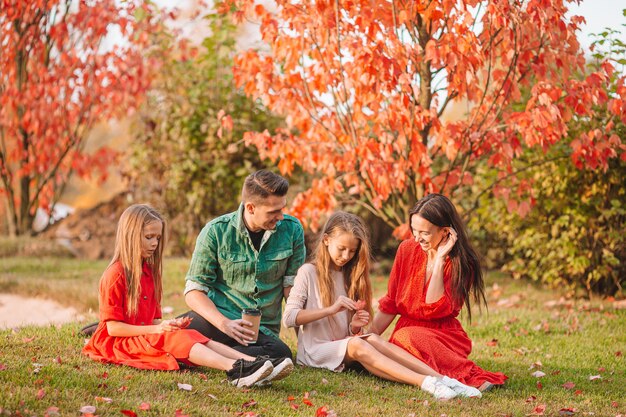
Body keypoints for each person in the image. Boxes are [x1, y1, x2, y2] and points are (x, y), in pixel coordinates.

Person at [283, 211, 482, 400]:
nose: (346, 256)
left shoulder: (350, 276)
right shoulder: (308, 272)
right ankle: (426, 382)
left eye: (352, 251)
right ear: (326, 240)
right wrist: (331, 309)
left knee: (372, 339)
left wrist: (354, 325)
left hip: (341, 347)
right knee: (359, 343)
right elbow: (289, 318)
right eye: (341, 249)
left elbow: (346, 333)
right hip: (314, 350)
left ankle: (446, 381)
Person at [82, 204, 280, 388]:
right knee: (172, 340)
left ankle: (255, 363)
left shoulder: (148, 272)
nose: (154, 243)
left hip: (142, 335)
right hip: (118, 342)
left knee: (189, 334)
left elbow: (152, 319)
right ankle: (236, 369)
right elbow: (113, 329)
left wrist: (168, 324)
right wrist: (157, 329)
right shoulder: (115, 275)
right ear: (131, 236)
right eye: (149, 237)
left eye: (157, 238)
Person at [370, 193, 508, 391]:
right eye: (413, 230)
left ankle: (455, 376)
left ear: (445, 232)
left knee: (403, 338)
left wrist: (441, 259)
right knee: (397, 341)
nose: (417, 238)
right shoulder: (406, 249)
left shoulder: (462, 263)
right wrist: (369, 335)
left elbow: (434, 307)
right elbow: (391, 302)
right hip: (407, 336)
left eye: (424, 233)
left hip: (442, 337)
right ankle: (431, 377)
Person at [181, 170, 305, 383]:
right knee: (177, 332)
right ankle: (244, 362)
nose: (281, 216)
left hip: (260, 332)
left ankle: (216, 354)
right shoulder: (215, 232)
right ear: (250, 207)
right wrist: (224, 323)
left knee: (282, 355)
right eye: (273, 211)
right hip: (218, 318)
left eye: (282, 208)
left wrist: (306, 341)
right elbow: (194, 291)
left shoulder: (292, 230)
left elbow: (293, 291)